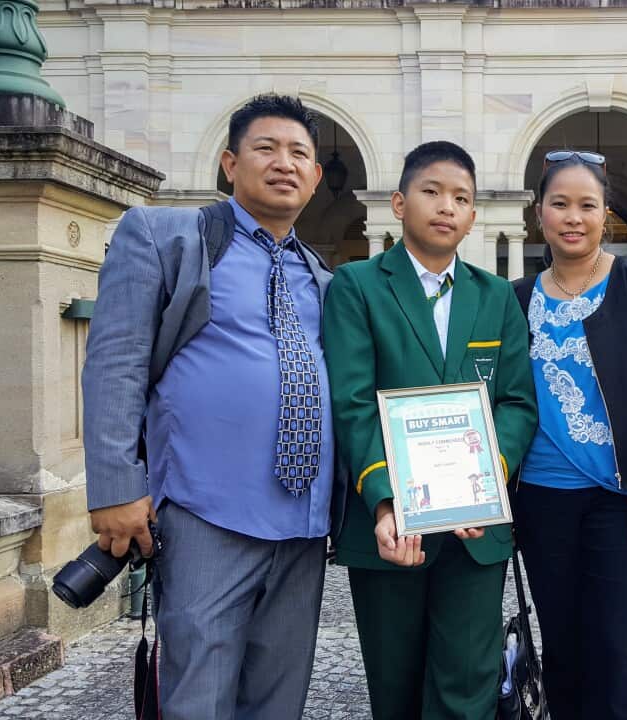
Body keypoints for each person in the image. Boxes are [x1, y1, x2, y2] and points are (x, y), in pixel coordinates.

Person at [81, 94, 334, 719]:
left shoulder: (324, 278)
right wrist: (116, 487)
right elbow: (115, 364)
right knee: (198, 695)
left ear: (316, 176)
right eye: (266, 149)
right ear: (229, 162)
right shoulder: (166, 237)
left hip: (303, 526)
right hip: (204, 513)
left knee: (279, 698)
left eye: (299, 153)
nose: (285, 163)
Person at [323, 141, 538, 720]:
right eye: (432, 191)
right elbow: (352, 403)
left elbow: (518, 403)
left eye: (461, 198)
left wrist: (489, 474)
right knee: (395, 687)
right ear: (398, 203)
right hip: (389, 529)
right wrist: (386, 500)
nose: (447, 206)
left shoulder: (496, 296)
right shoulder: (358, 286)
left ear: (473, 216)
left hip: (475, 533)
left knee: (467, 688)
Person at [510, 150, 627, 720]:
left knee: (609, 649)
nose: (573, 217)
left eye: (587, 205)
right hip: (540, 495)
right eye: (560, 204)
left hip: (618, 498)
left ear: (605, 214)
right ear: (540, 214)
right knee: (560, 645)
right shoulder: (518, 297)